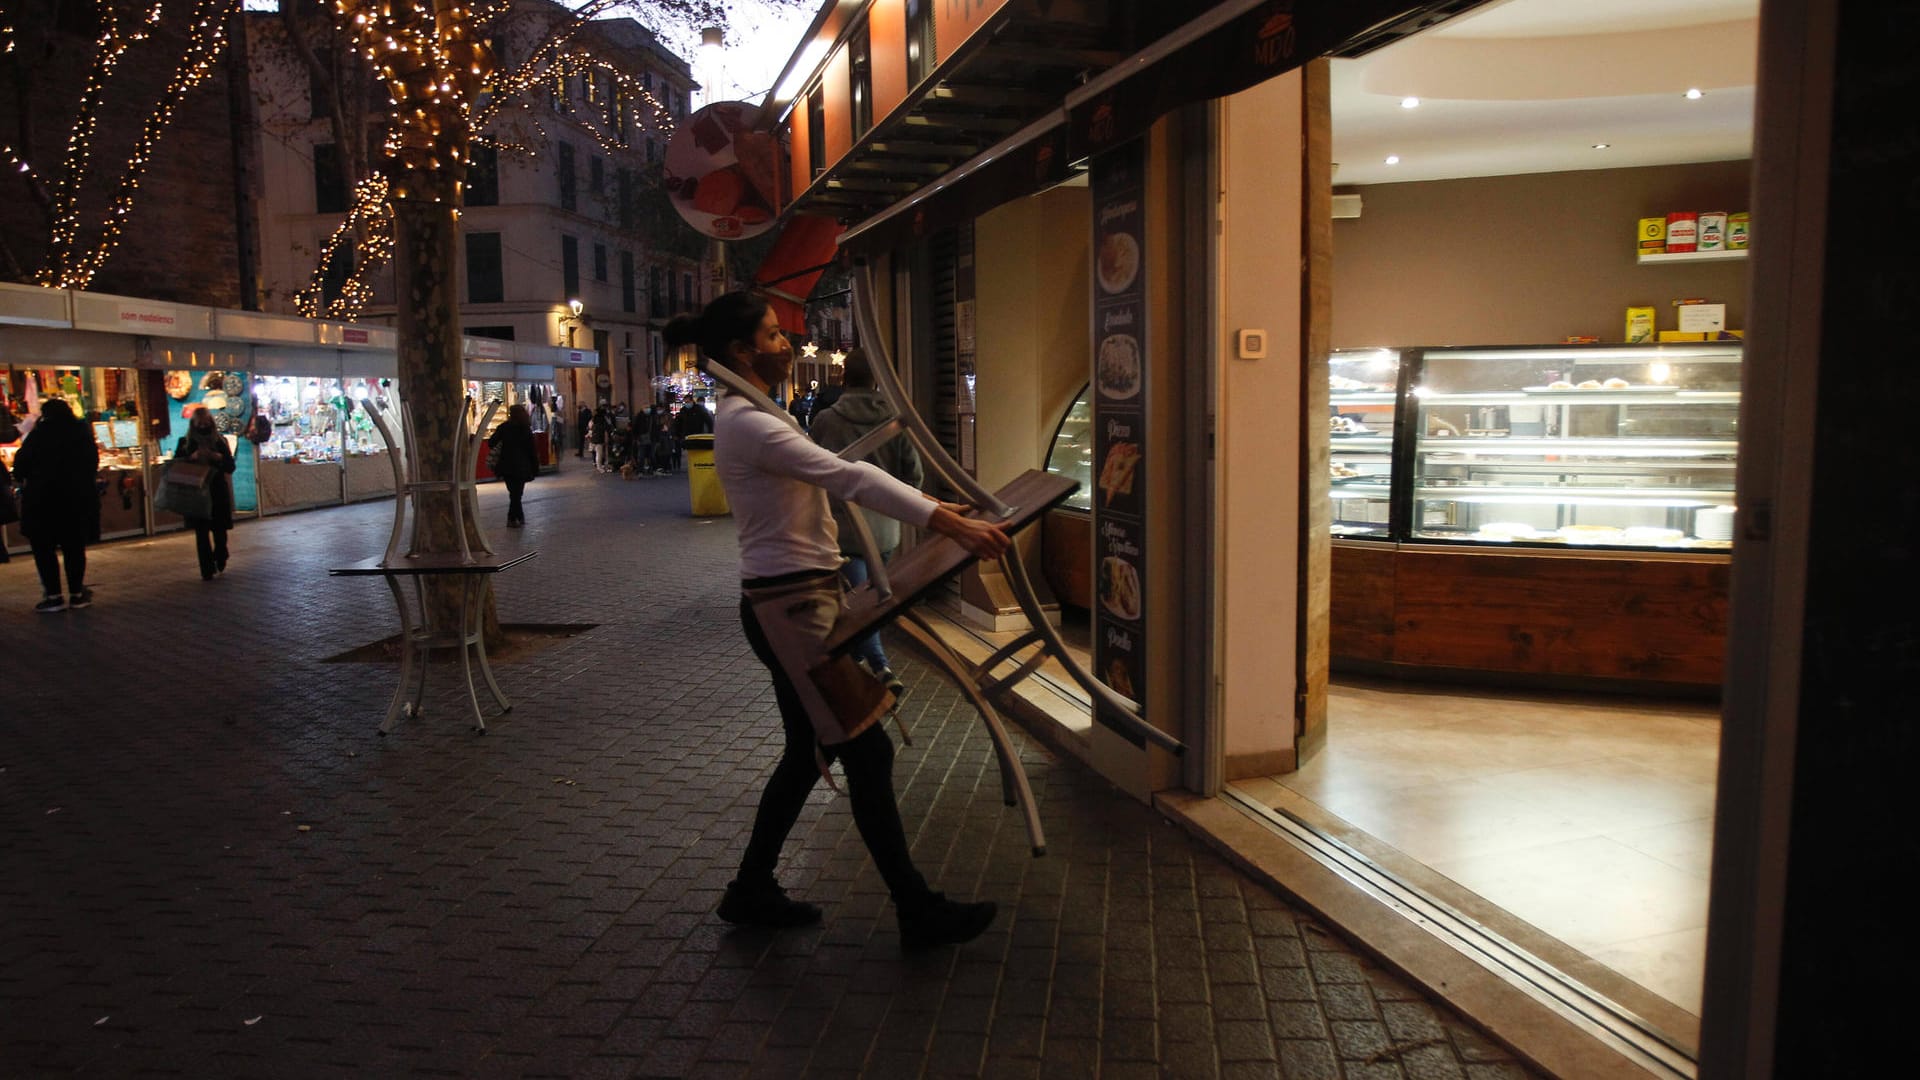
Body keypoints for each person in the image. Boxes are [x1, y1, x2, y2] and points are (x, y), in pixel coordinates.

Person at [664, 292, 1011, 951]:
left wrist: (941, 502)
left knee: (806, 753)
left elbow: (845, 479)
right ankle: (916, 909)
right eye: (771, 334)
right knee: (868, 750)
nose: (784, 342)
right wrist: (950, 522)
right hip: (792, 610)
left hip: (792, 600)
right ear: (742, 352)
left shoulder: (752, 411)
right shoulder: (751, 422)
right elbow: (848, 476)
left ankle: (751, 889)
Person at [808, 349, 922, 696]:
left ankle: (875, 666)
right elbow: (914, 475)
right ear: (876, 379)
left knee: (860, 604)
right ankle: (873, 666)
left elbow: (813, 475)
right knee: (869, 603)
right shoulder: (893, 419)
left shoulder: (826, 421)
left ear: (845, 379)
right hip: (886, 529)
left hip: (844, 528)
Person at [11, 399, 98, 612]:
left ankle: (53, 595)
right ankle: (77, 593)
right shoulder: (80, 432)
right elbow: (91, 463)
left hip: (42, 502)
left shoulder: (39, 435)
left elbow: (20, 465)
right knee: (74, 548)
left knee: (44, 550)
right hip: (75, 500)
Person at [174, 406, 238, 580]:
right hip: (197, 492)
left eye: (205, 423)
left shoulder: (219, 441)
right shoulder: (185, 443)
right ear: (193, 424)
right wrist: (191, 458)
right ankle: (207, 569)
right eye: (199, 423)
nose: (203, 426)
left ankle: (221, 556)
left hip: (216, 490)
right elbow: (177, 466)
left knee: (219, 530)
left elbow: (230, 466)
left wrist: (219, 458)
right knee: (201, 533)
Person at [487, 404, 539, 526]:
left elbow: (491, 442)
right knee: (517, 493)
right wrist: (535, 467)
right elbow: (532, 450)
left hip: (506, 465)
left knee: (514, 493)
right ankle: (514, 518)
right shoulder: (525, 428)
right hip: (521, 466)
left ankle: (517, 517)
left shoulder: (504, 427)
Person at [589, 405, 612, 473]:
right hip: (600, 438)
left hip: (596, 438)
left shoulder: (594, 419)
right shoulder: (603, 419)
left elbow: (590, 427)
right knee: (600, 453)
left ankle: (600, 466)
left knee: (598, 453)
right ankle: (601, 467)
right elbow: (608, 426)